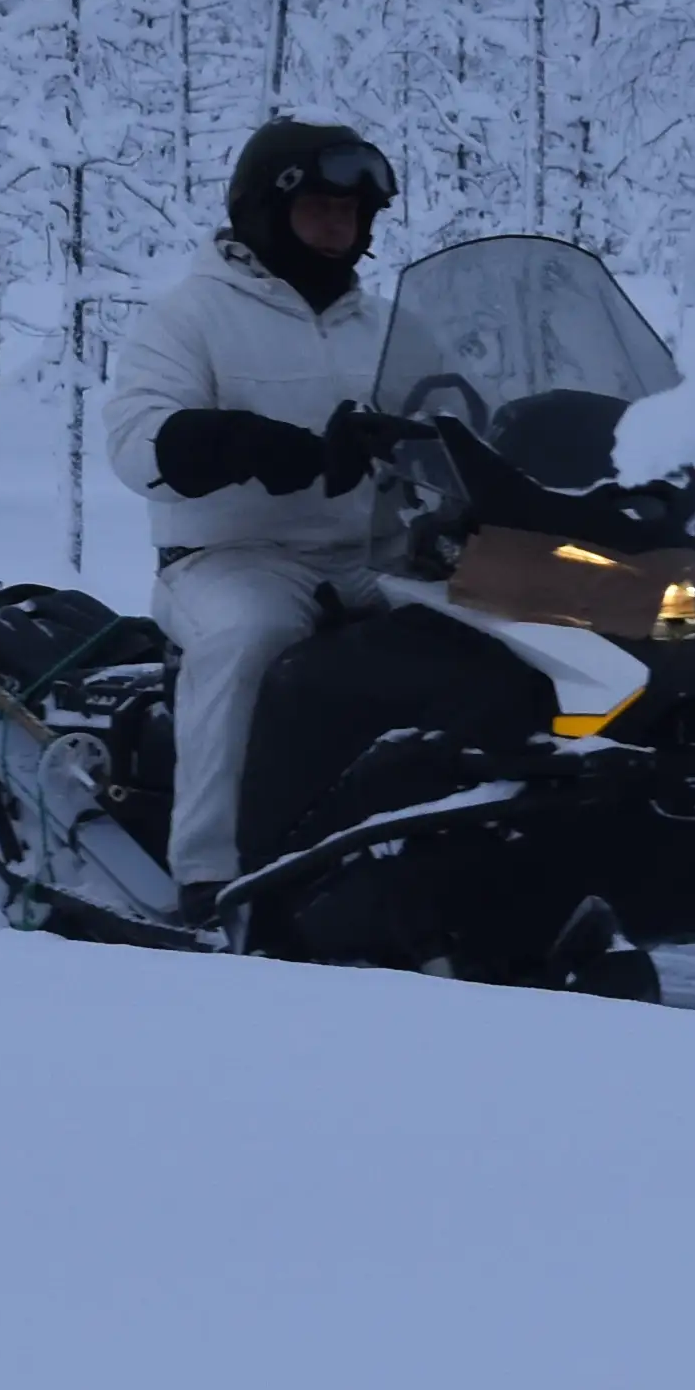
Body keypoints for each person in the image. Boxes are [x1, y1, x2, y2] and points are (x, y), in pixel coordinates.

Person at [100, 118, 401, 906]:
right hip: (229, 560)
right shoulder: (192, 315)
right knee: (246, 639)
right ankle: (210, 873)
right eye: (322, 207)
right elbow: (136, 443)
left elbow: (464, 413)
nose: (339, 224)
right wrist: (245, 445)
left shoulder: (388, 326)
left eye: (352, 211)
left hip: (372, 559)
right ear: (267, 209)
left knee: (492, 624)